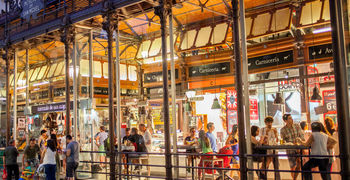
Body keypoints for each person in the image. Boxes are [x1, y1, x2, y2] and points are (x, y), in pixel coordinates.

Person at [280, 114, 305, 180]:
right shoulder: (283, 130)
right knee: (292, 166)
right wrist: (290, 143)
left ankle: (294, 178)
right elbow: (283, 141)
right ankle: (294, 179)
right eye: (290, 118)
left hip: (299, 148)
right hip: (290, 149)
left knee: (300, 164)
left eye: (291, 118)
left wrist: (300, 144)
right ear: (285, 120)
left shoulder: (297, 126)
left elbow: (302, 136)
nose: (292, 119)